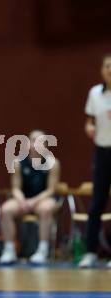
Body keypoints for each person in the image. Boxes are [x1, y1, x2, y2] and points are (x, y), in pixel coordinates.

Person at [0, 130, 61, 265]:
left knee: (45, 209)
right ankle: (9, 250)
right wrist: (22, 200)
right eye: (34, 140)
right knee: (6, 209)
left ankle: (42, 250)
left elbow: (51, 190)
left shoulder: (53, 163)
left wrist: (33, 201)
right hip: (24, 199)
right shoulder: (18, 162)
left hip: (43, 199)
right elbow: (15, 188)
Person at [79, 53, 111, 268]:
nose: (110, 69)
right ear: (102, 69)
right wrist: (89, 127)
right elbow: (89, 121)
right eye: (107, 65)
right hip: (102, 152)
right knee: (97, 202)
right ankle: (90, 252)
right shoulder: (95, 93)